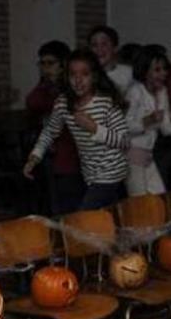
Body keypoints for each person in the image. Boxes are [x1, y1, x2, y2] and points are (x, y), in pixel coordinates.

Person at [23, 50, 129, 210]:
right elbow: (50, 131)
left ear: (94, 76)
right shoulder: (63, 103)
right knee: (107, 220)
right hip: (89, 174)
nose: (78, 81)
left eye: (84, 74)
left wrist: (93, 128)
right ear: (67, 77)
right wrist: (35, 156)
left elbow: (124, 141)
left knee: (84, 217)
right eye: (73, 75)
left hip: (111, 173)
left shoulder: (106, 103)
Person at [24, 40, 85, 214]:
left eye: (51, 63)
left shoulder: (73, 87)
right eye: (42, 64)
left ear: (63, 64)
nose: (45, 68)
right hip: (54, 156)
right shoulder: (45, 88)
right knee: (57, 205)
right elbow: (33, 102)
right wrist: (46, 85)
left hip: (77, 154)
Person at [124, 46, 171, 195]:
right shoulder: (135, 91)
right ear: (144, 71)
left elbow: (165, 127)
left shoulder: (162, 92)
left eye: (165, 69)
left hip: (149, 154)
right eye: (157, 70)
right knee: (140, 203)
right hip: (131, 156)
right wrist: (147, 120)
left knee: (159, 197)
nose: (163, 74)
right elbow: (124, 125)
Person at [89, 25, 133, 94]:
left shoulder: (128, 73)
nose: (99, 49)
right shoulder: (87, 75)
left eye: (104, 44)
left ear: (115, 48)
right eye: (94, 45)